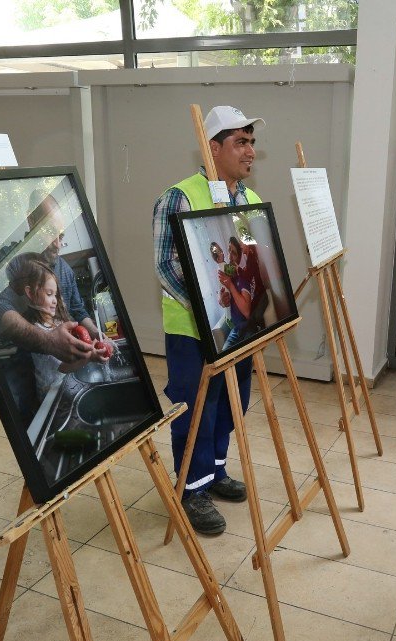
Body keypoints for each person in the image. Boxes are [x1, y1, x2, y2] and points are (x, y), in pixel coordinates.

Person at [153, 105, 265, 535]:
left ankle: (214, 473)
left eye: (252, 142)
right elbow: (166, 265)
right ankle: (190, 490)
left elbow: (251, 263)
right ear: (212, 147)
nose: (250, 151)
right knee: (196, 406)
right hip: (193, 331)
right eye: (241, 142)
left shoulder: (249, 200)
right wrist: (208, 311)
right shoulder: (180, 197)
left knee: (231, 404)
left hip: (237, 329)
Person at [0, 192, 101, 424]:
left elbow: (78, 310)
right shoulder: (16, 263)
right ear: (31, 221)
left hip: (58, 375)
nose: (58, 245)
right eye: (50, 233)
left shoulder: (64, 270)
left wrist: (97, 334)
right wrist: (49, 341)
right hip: (21, 370)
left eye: (61, 236)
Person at [7, 253, 104, 399]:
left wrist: (91, 344)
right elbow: (64, 366)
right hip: (51, 396)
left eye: (55, 295)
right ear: (30, 293)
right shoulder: (39, 332)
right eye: (49, 294)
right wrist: (89, 357)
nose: (54, 301)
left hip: (65, 386)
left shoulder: (57, 323)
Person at [219, 236, 255, 349]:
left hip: (243, 326)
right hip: (232, 323)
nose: (229, 256)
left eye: (233, 253)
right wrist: (222, 300)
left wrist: (230, 285)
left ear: (239, 258)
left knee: (227, 353)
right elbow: (222, 301)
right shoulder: (229, 277)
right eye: (229, 250)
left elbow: (246, 312)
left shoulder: (243, 278)